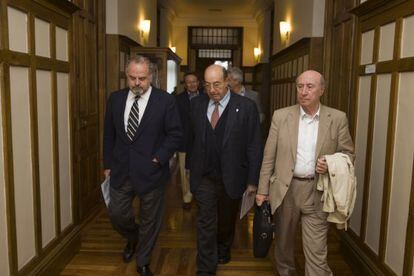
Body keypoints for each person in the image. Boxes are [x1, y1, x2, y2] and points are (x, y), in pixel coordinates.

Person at [256, 70, 354, 276]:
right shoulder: (281, 116)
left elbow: (348, 154)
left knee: (317, 251)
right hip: (286, 189)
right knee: (283, 245)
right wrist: (262, 190)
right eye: (300, 86)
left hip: (318, 190)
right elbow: (269, 157)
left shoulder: (337, 118)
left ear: (322, 90)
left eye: (309, 87)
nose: (303, 91)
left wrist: (330, 163)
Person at [103, 55, 182, 276]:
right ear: (126, 76)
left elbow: (175, 135)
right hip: (120, 170)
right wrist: (107, 164)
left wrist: (159, 157)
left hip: (152, 172)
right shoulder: (115, 99)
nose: (137, 83)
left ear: (152, 77)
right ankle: (132, 237)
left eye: (142, 78)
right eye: (132, 78)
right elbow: (109, 134)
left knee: (151, 220)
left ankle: (143, 260)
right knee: (117, 213)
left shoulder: (165, 101)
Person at [186, 64, 263, 275]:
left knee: (227, 220)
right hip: (204, 176)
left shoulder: (246, 107)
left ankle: (223, 246)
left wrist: (252, 181)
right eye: (208, 85)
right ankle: (205, 268)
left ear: (227, 81)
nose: (212, 90)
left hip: (233, 176)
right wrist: (189, 168)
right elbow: (191, 139)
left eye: (217, 84)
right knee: (205, 221)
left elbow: (254, 146)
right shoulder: (197, 105)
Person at [175, 72, 203, 210]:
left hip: (202, 142)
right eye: (188, 82)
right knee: (184, 171)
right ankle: (187, 197)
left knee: (201, 169)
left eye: (194, 81)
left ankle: (200, 195)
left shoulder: (206, 97)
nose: (192, 84)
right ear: (185, 85)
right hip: (184, 141)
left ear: (198, 83)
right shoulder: (177, 100)